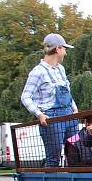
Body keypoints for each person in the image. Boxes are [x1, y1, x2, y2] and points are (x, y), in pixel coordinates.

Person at [20, 33, 79, 167]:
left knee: (75, 153)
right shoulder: (38, 71)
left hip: (70, 117)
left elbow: (67, 91)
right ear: (58, 49)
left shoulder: (61, 69)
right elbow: (25, 96)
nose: (65, 53)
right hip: (52, 119)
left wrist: (74, 108)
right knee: (54, 157)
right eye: (64, 49)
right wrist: (39, 114)